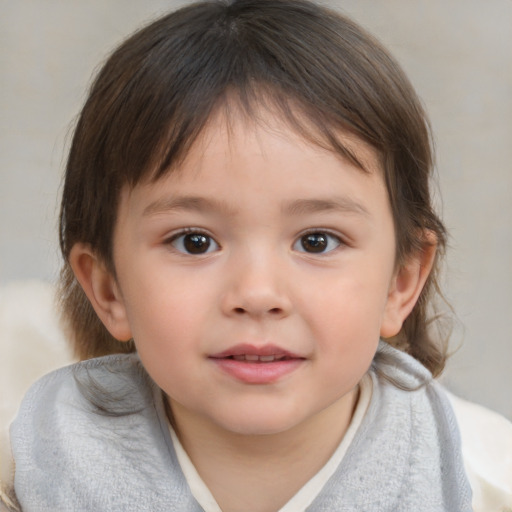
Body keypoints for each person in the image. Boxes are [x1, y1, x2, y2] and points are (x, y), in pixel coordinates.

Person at [5, 0, 477, 510]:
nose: (256, 294)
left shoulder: (478, 477)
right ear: (107, 288)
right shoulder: (32, 470)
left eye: (316, 241)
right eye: (194, 241)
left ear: (400, 282)